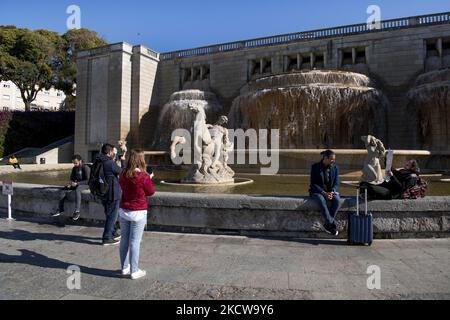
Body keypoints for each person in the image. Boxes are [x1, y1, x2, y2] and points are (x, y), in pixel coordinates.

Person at [118, 149, 155, 279]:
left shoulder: (122, 174)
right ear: (141, 160)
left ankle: (125, 267)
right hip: (138, 212)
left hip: (124, 211)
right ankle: (134, 271)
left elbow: (124, 186)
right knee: (135, 242)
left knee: (124, 240)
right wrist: (149, 178)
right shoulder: (143, 177)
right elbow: (150, 192)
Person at [94, 143, 123, 246]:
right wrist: (121, 160)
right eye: (113, 151)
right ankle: (107, 238)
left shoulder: (98, 161)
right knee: (112, 216)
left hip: (103, 192)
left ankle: (114, 233)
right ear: (110, 152)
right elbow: (122, 172)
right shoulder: (109, 163)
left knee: (109, 214)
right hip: (112, 193)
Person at [309, 150, 341, 236]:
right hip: (318, 192)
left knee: (337, 200)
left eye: (334, 159)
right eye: (331, 159)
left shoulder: (335, 167)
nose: (333, 161)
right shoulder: (315, 167)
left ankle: (327, 224)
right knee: (321, 199)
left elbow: (337, 183)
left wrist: (332, 192)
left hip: (330, 192)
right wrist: (324, 193)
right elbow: (313, 184)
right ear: (325, 158)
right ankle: (331, 223)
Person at [361, 159, 427, 200]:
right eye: (406, 164)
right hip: (387, 186)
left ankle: (370, 195)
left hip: (391, 193)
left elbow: (401, 188)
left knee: (370, 187)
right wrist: (387, 160)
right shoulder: (403, 171)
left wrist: (392, 176)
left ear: (412, 167)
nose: (404, 165)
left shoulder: (412, 177)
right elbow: (394, 171)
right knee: (364, 183)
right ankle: (367, 194)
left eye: (407, 165)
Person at [52, 155, 90, 220]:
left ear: (80, 161)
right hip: (76, 184)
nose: (74, 164)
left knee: (78, 190)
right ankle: (60, 209)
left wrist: (77, 183)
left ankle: (77, 211)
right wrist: (70, 184)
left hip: (86, 184)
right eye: (73, 163)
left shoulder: (85, 167)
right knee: (63, 189)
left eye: (76, 163)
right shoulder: (74, 168)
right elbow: (72, 178)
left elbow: (88, 180)